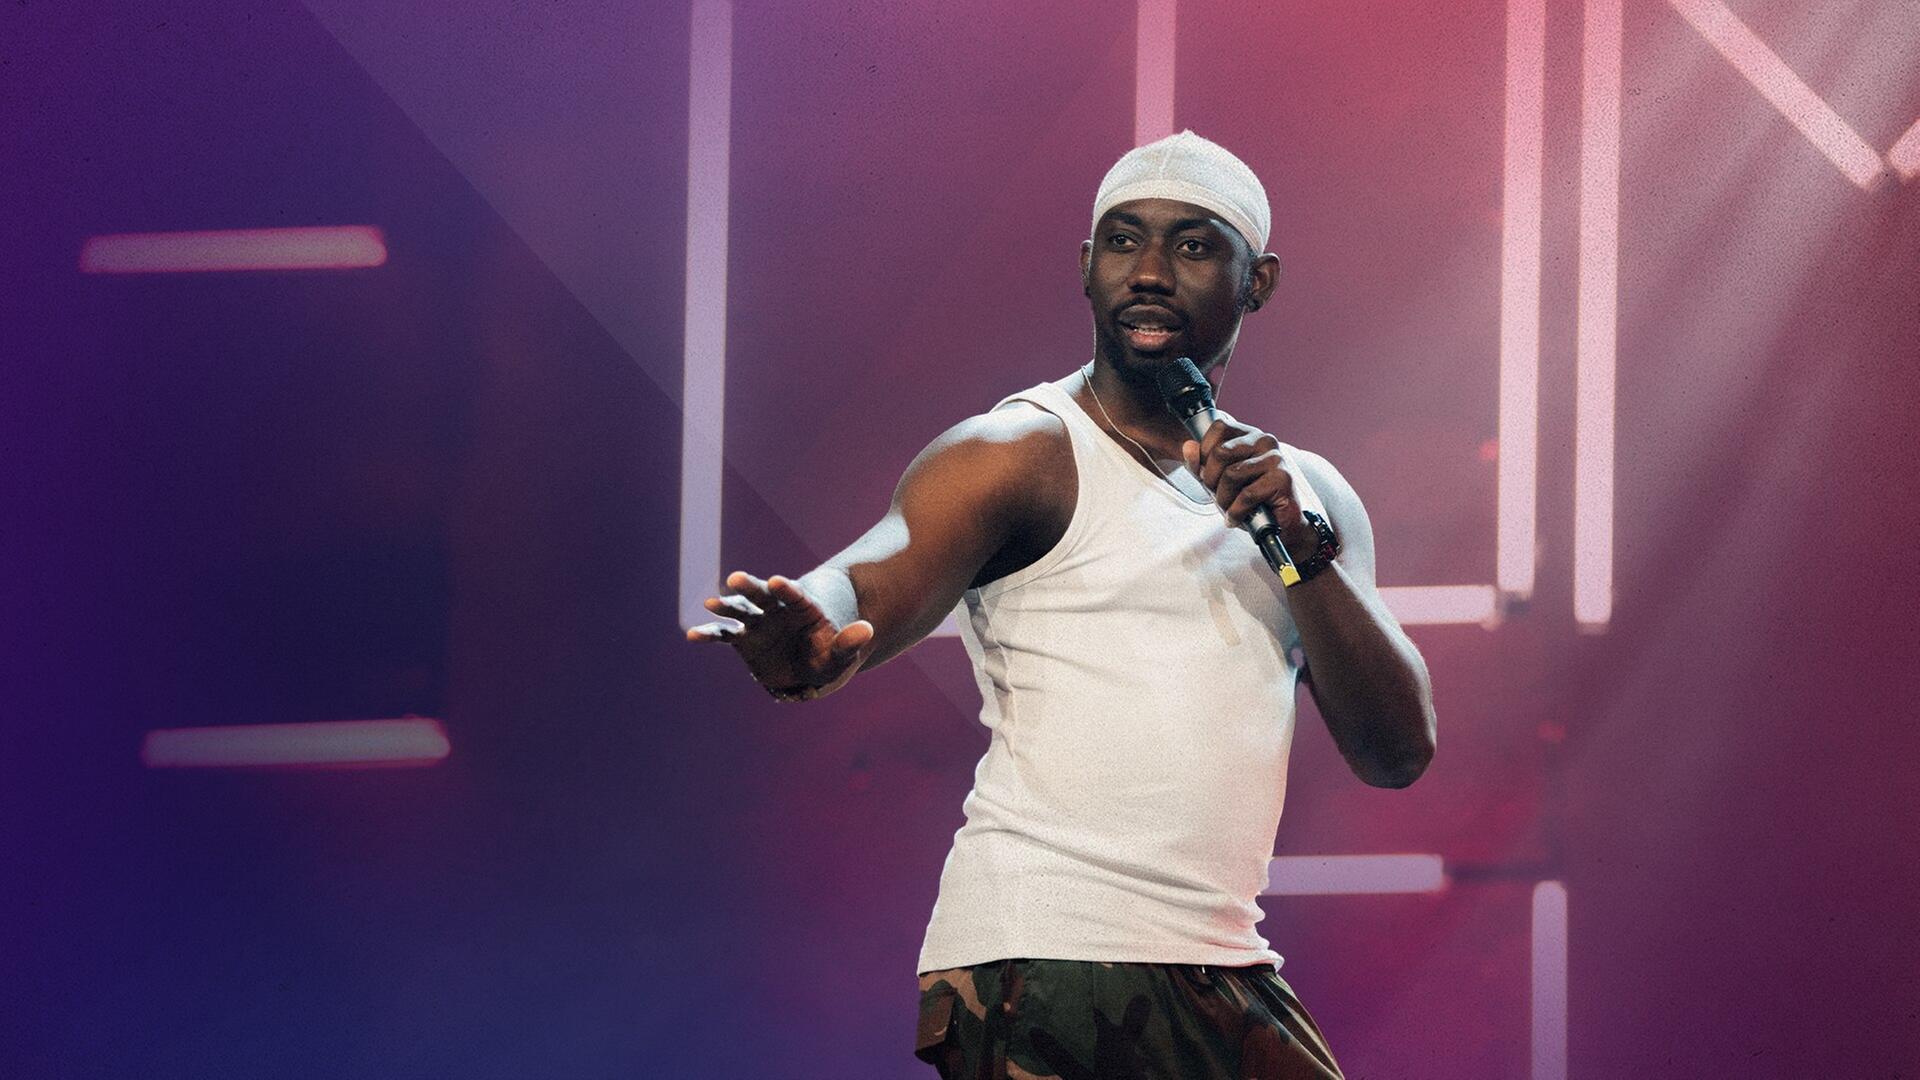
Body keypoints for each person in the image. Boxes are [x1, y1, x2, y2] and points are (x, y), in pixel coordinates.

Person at [687, 131, 1436, 1079]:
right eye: (1123, 242)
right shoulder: (1020, 451)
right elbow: (872, 569)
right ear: (1087, 267)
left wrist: (1302, 553)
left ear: (1259, 281)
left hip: (1220, 959)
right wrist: (815, 629)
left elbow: (1396, 752)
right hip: (1046, 955)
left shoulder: (1304, 493)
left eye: (1193, 245)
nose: (1150, 272)